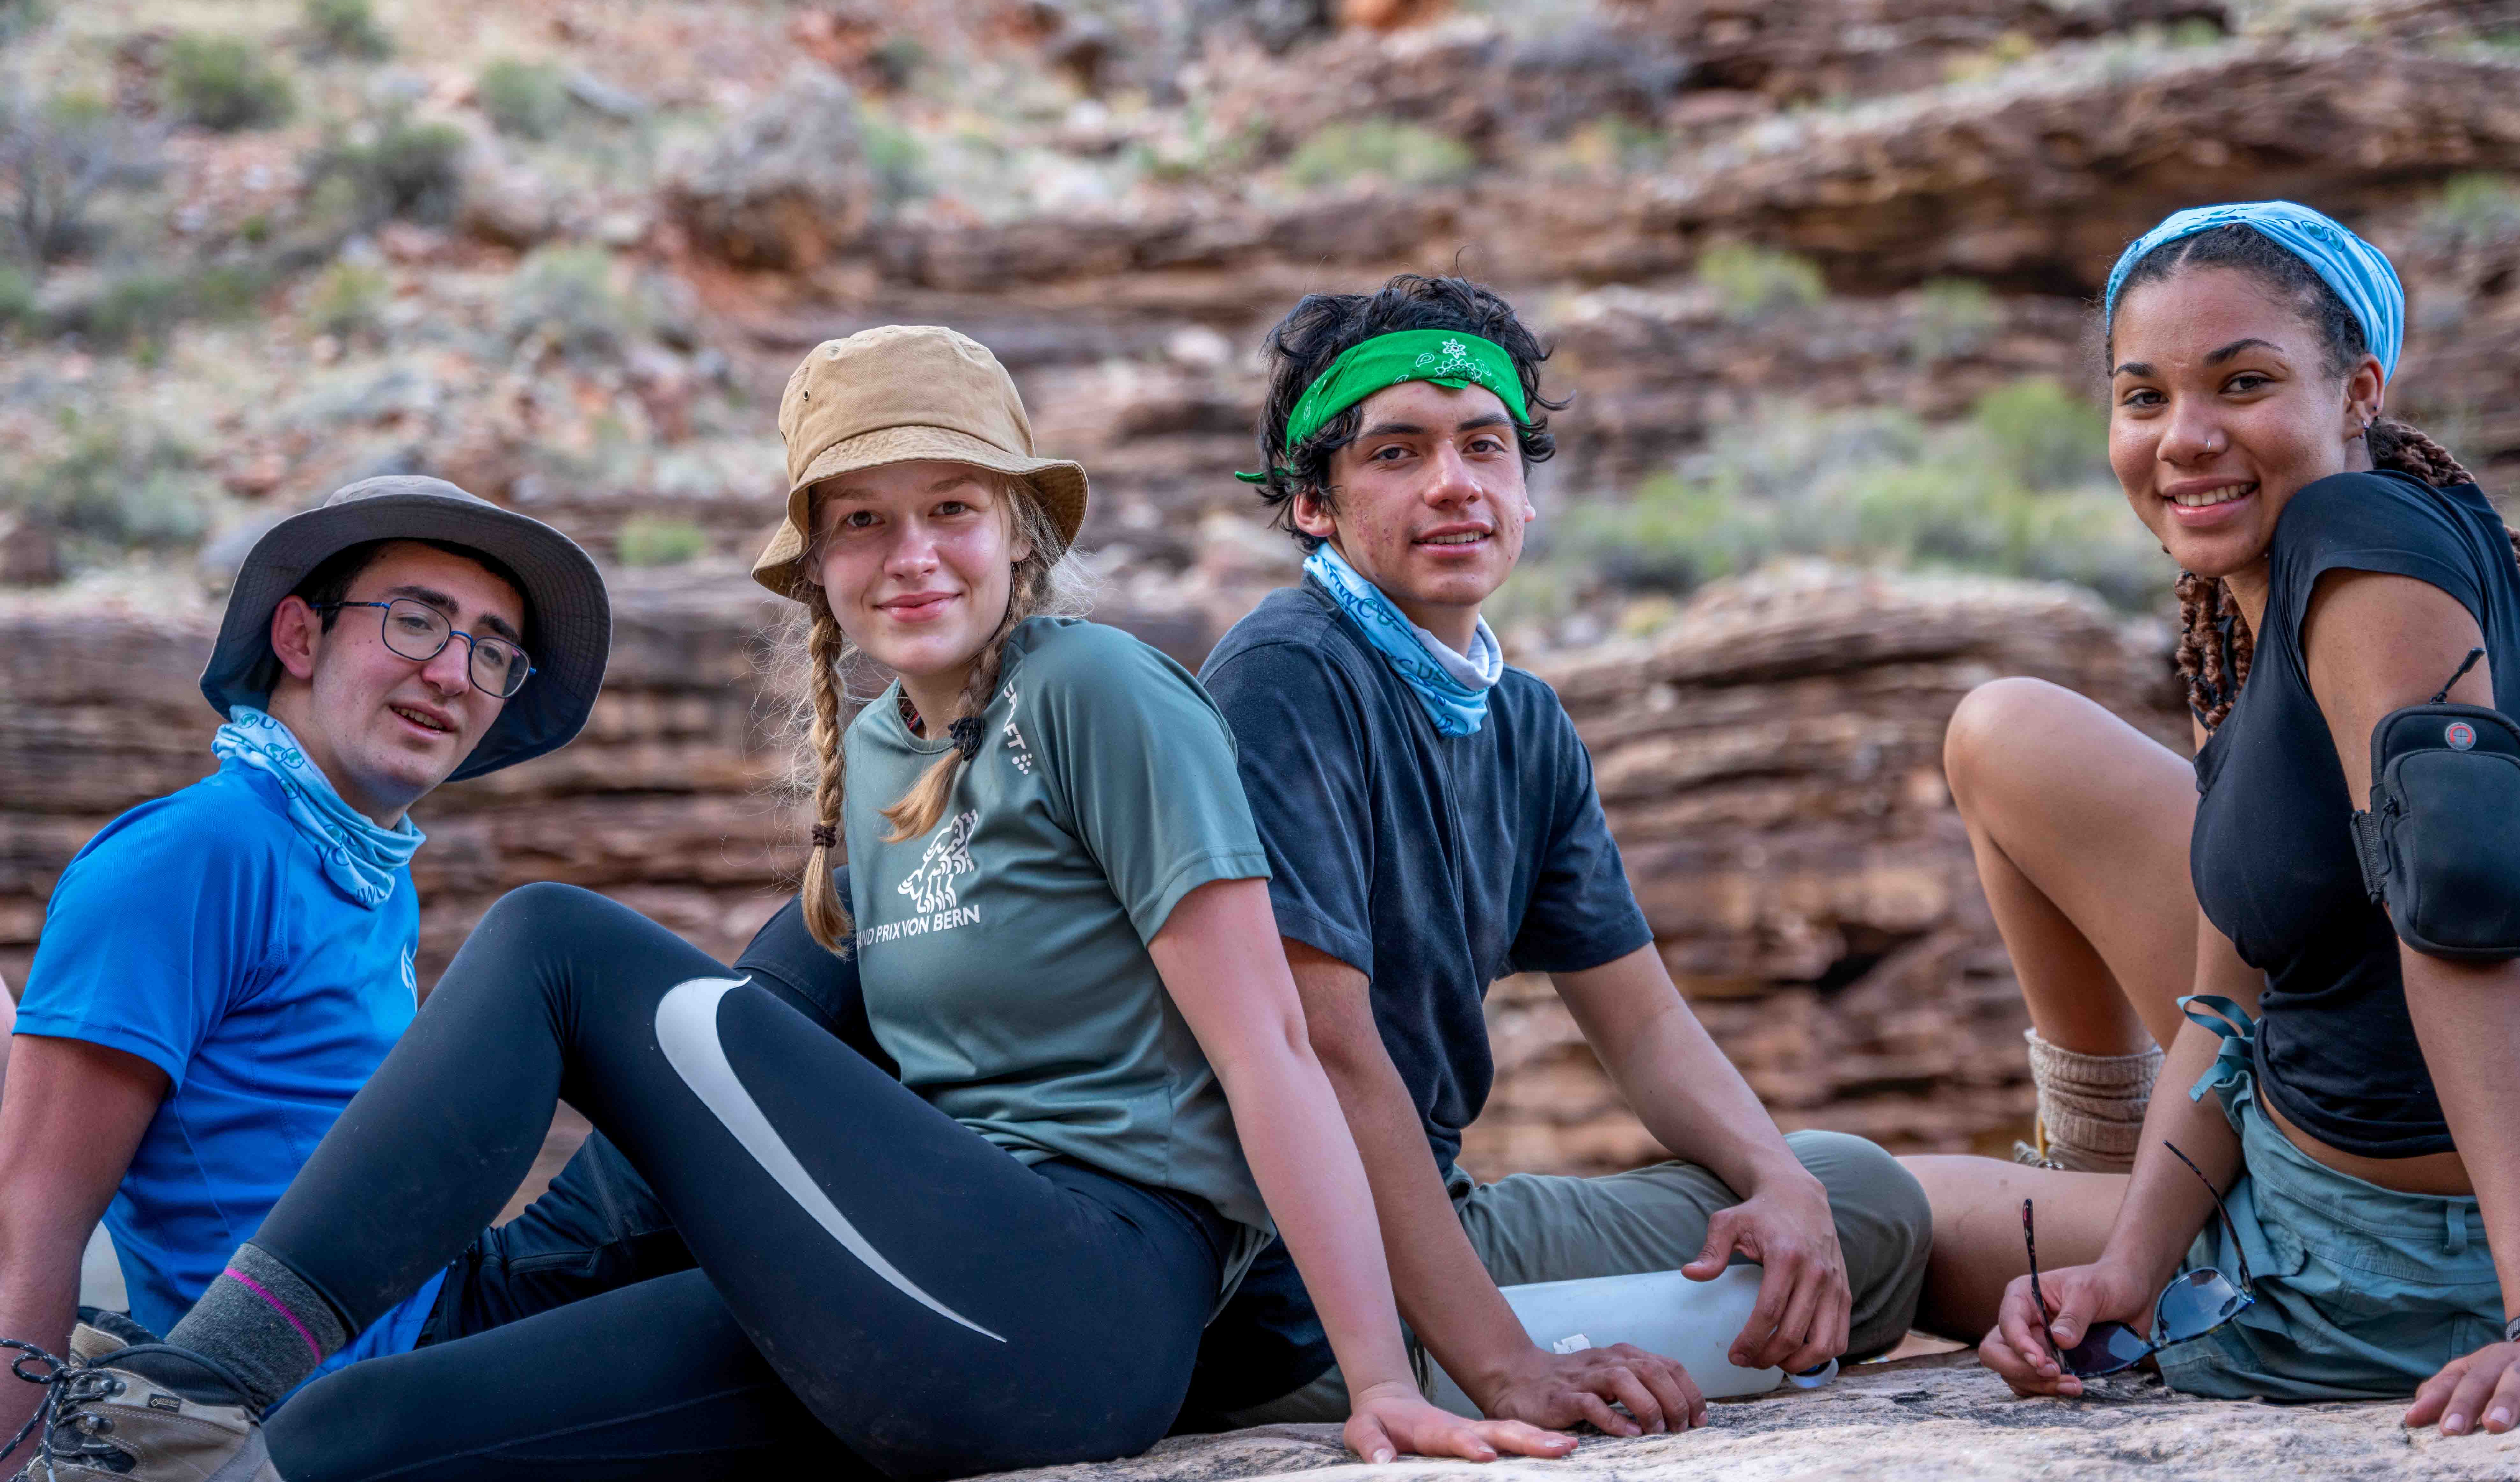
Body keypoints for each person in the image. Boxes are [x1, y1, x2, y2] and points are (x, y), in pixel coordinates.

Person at [22, 326, 1571, 1482]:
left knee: (555, 946)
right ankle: (217, 1415)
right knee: (352, 1436)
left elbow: (1276, 1055)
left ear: (1017, 532)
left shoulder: (1096, 693)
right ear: (817, 563)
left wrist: (1387, 1378)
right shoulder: (889, 760)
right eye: (862, 521)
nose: (910, 555)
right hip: (904, 1305)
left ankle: (194, 1376)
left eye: (951, 508)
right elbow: (749, 1046)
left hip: (1079, 1296)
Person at [1186, 276, 1932, 1435]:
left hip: (1434, 1208)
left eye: (1486, 446)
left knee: (1840, 1193)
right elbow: (1328, 1058)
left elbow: (1640, 1023)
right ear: (1312, 506)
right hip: (1293, 1286)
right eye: (1395, 453)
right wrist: (1505, 1370)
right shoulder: (1289, 676)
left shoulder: (1518, 717)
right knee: (1887, 1224)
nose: (1453, 484)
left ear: (1525, 491)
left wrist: (1778, 1182)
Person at [1905, 203, 2520, 1437]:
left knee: (1863, 1215)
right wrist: (2126, 1273)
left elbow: (2464, 914)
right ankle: (2097, 1184)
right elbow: (2227, 1002)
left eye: (2240, 383)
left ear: (2358, 390)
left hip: (2394, 1261)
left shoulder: (2357, 548)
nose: (2184, 439)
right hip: (2324, 1189)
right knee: (2006, 727)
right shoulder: (2265, 604)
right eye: (2141, 398)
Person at [0, 476, 611, 1444]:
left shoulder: (369, 871)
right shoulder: (196, 854)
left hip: (443, 1308)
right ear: (298, 638)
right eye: (417, 622)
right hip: (327, 1396)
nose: (455, 673)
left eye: (492, 650)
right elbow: (33, 1211)